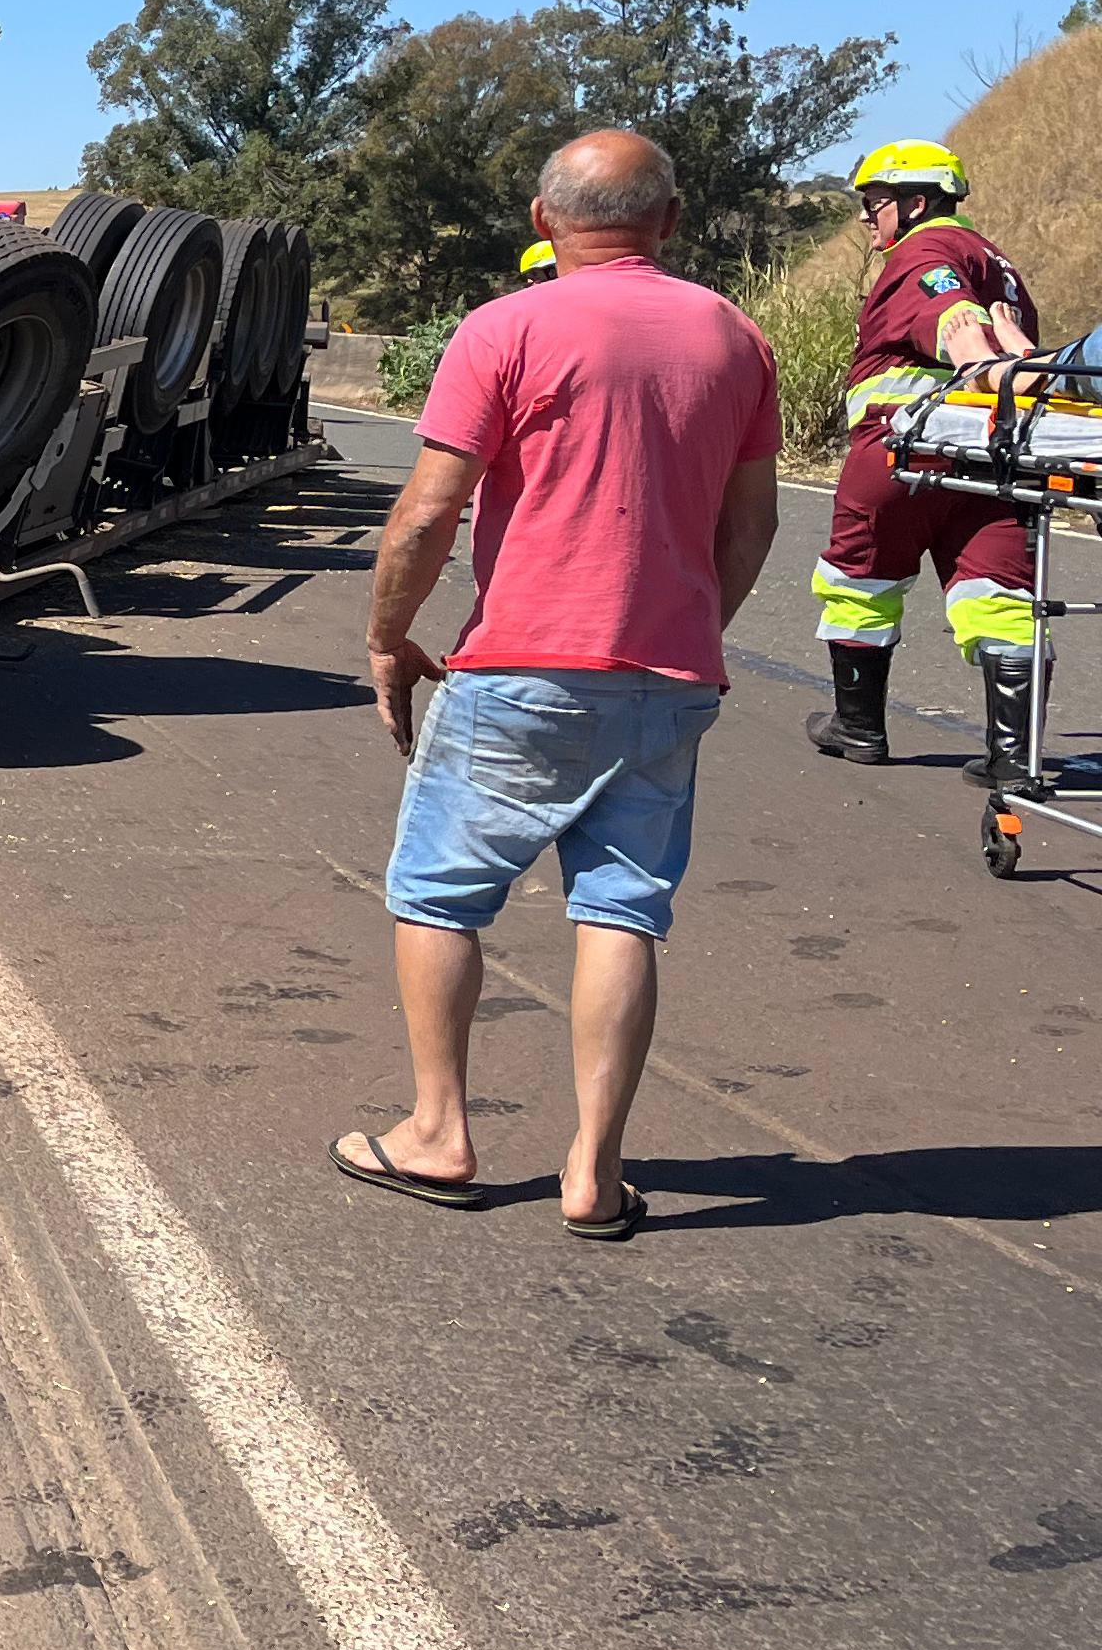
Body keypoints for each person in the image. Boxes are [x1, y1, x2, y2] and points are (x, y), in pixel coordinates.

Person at [344, 130, 783, 1239]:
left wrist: (390, 637)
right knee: (622, 909)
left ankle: (440, 1131)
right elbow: (752, 523)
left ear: (544, 221)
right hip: (669, 674)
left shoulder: (506, 328)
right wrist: (688, 632)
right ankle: (595, 1168)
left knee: (438, 895)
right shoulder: (736, 339)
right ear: (669, 222)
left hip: (524, 666)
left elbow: (430, 512)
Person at [802, 140, 1045, 783]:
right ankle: (1014, 757)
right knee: (999, 591)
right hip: (994, 459)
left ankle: (857, 727)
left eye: (874, 202)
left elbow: (952, 317)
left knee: (861, 579)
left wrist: (973, 356)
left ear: (915, 202)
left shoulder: (925, 252)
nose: (865, 218)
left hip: (902, 450)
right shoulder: (1000, 262)